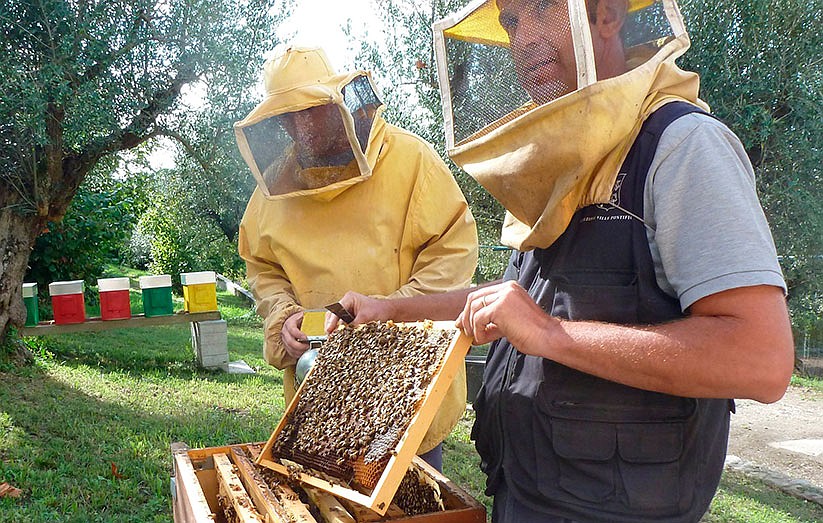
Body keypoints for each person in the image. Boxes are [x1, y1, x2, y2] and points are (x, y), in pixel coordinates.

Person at [326, 1, 795, 521]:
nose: (521, 39)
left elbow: (761, 359)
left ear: (608, 15)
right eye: (511, 22)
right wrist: (387, 311)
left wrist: (550, 334)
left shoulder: (683, 147)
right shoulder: (570, 158)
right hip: (528, 496)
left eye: (540, 9)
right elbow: (511, 306)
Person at [234, 46, 478, 471]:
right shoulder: (273, 188)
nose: (302, 127)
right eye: (289, 117)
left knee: (406, 500)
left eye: (311, 110)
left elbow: (451, 253)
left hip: (404, 379)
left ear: (337, 101)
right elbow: (262, 267)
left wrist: (391, 316)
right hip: (318, 386)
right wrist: (284, 317)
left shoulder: (410, 160)